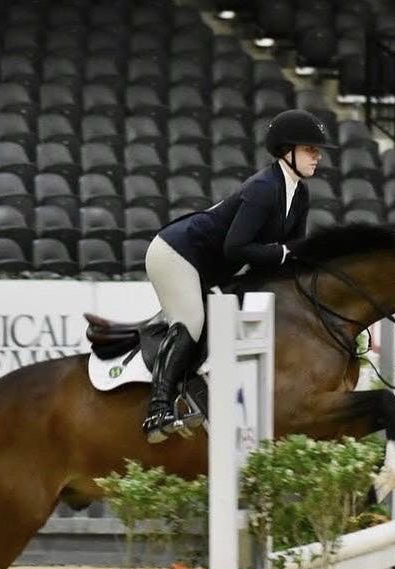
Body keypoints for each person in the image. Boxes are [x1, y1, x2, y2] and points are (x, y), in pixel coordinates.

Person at [141, 108, 334, 442]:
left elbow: (295, 253)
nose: (317, 156)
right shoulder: (263, 188)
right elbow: (237, 247)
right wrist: (283, 253)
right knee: (192, 321)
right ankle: (157, 410)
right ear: (286, 151)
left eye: (316, 150)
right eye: (309, 149)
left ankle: (195, 392)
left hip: (210, 264)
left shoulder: (299, 193)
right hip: (177, 253)